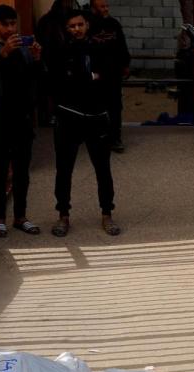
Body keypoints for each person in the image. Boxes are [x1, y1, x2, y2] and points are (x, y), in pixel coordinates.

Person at [49, 9, 120, 237]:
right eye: (72, 26)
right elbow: (59, 81)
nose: (76, 29)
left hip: (97, 117)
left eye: (80, 24)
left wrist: (84, 78)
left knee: (103, 169)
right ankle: (63, 215)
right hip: (67, 117)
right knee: (64, 169)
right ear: (66, 29)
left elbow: (110, 76)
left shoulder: (100, 48)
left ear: (87, 25)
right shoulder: (60, 51)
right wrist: (90, 77)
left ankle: (107, 214)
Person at [0, 4, 43, 238]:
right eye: (4, 24)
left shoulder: (25, 50)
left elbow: (38, 81)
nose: (10, 29)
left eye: (12, 24)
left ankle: (21, 216)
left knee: (21, 171)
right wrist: (3, 53)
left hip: (22, 118)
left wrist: (37, 59)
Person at [88, 0, 130, 153]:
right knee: (97, 105)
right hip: (96, 74)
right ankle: (98, 137)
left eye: (107, 6)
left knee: (115, 106)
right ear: (93, 8)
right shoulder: (87, 25)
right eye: (102, 6)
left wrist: (125, 64)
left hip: (113, 73)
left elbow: (122, 45)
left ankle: (115, 138)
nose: (106, 9)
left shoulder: (114, 24)